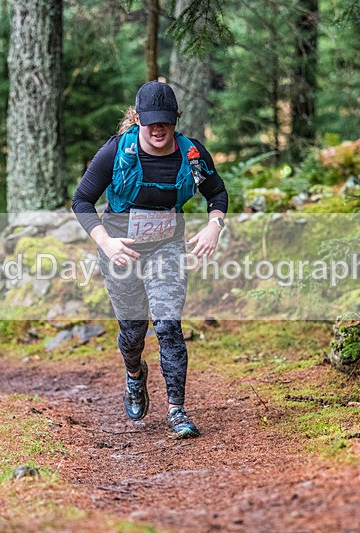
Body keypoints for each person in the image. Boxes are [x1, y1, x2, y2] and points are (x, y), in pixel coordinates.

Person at [72, 81, 228, 439]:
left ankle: (177, 410)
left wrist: (213, 226)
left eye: (166, 122)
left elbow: (216, 192)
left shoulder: (191, 154)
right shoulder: (116, 152)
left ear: (176, 120)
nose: (158, 129)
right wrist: (105, 241)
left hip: (166, 247)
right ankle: (134, 374)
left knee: (168, 323)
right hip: (120, 249)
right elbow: (82, 201)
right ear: (138, 119)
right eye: (151, 122)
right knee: (132, 332)